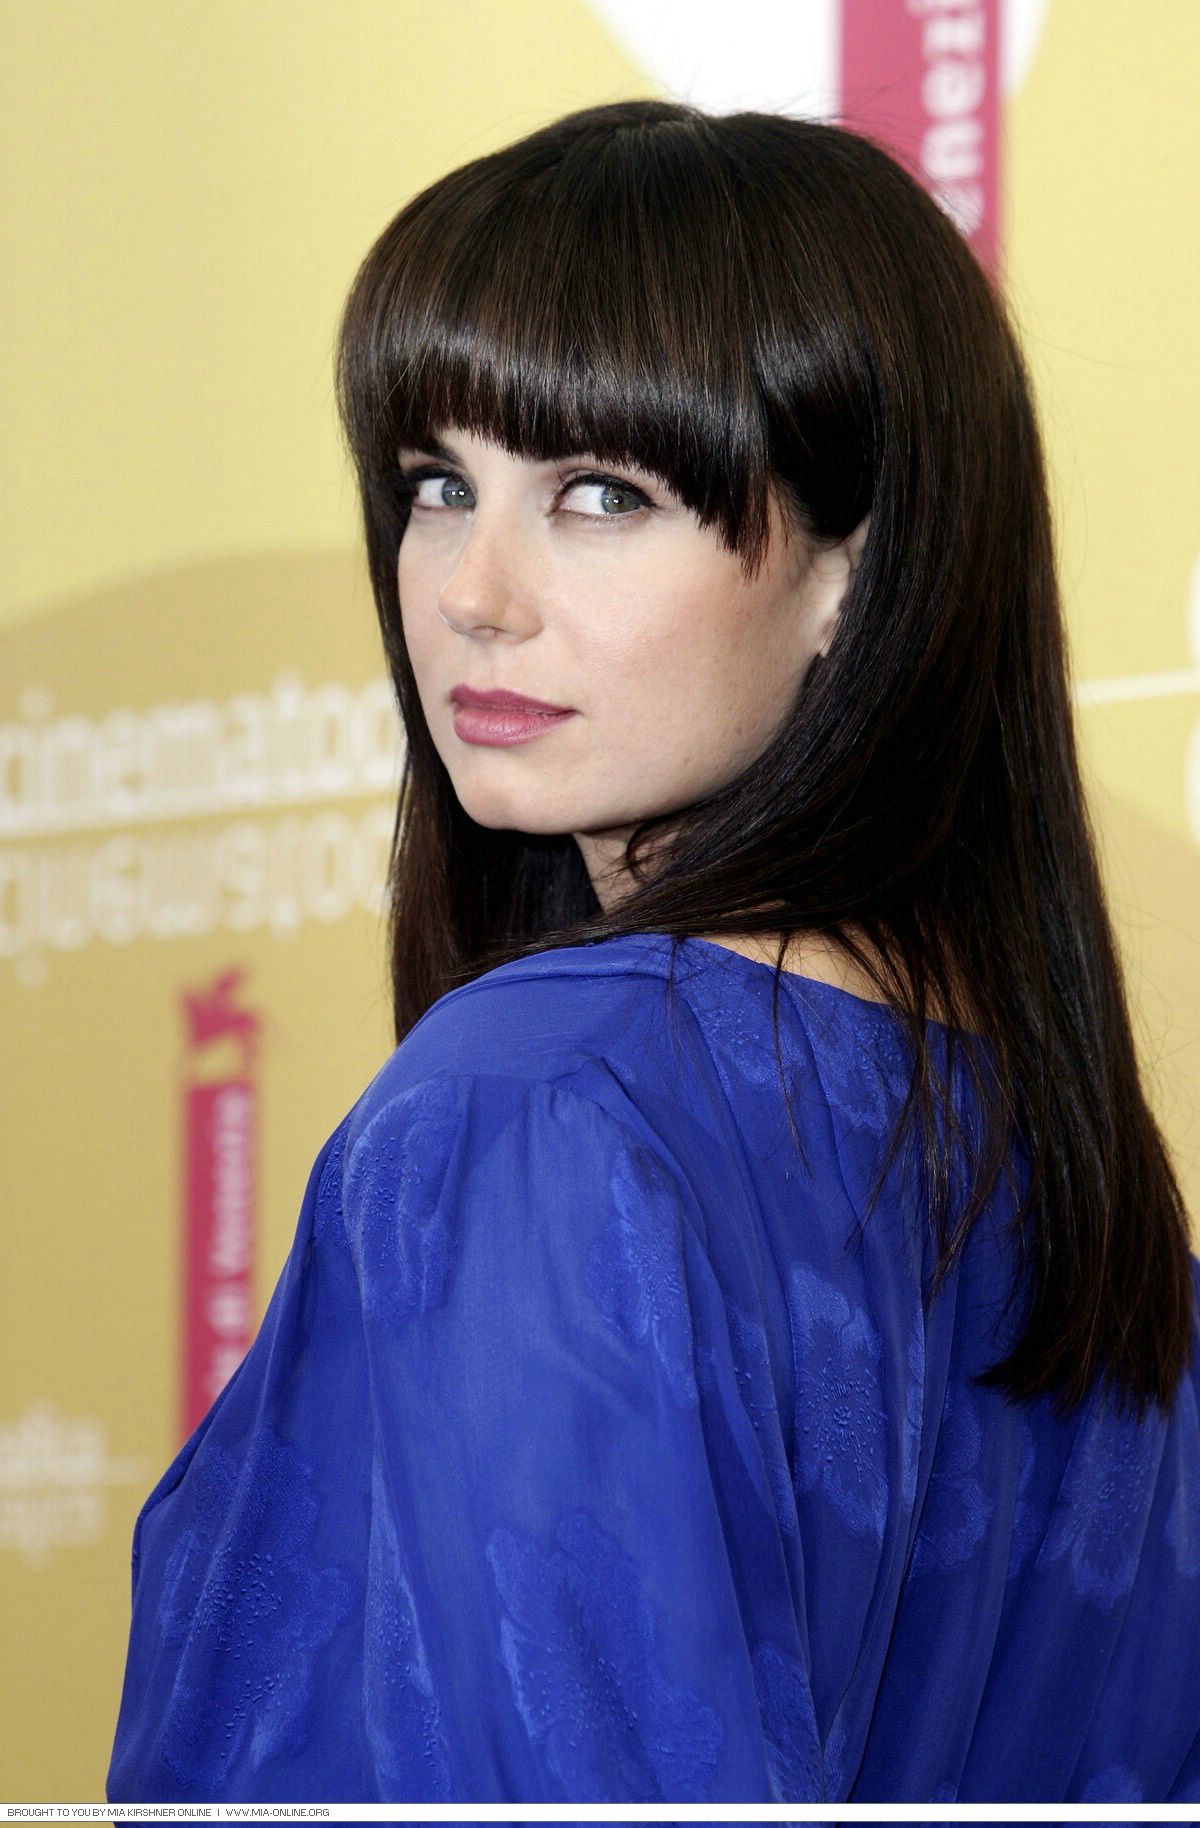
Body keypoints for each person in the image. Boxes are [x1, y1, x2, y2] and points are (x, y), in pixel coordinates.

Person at [106, 98, 1200, 1805]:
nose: (471, 590)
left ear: (853, 571)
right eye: (436, 485)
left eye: (600, 494)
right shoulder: (1085, 1206)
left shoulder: (543, 1108)